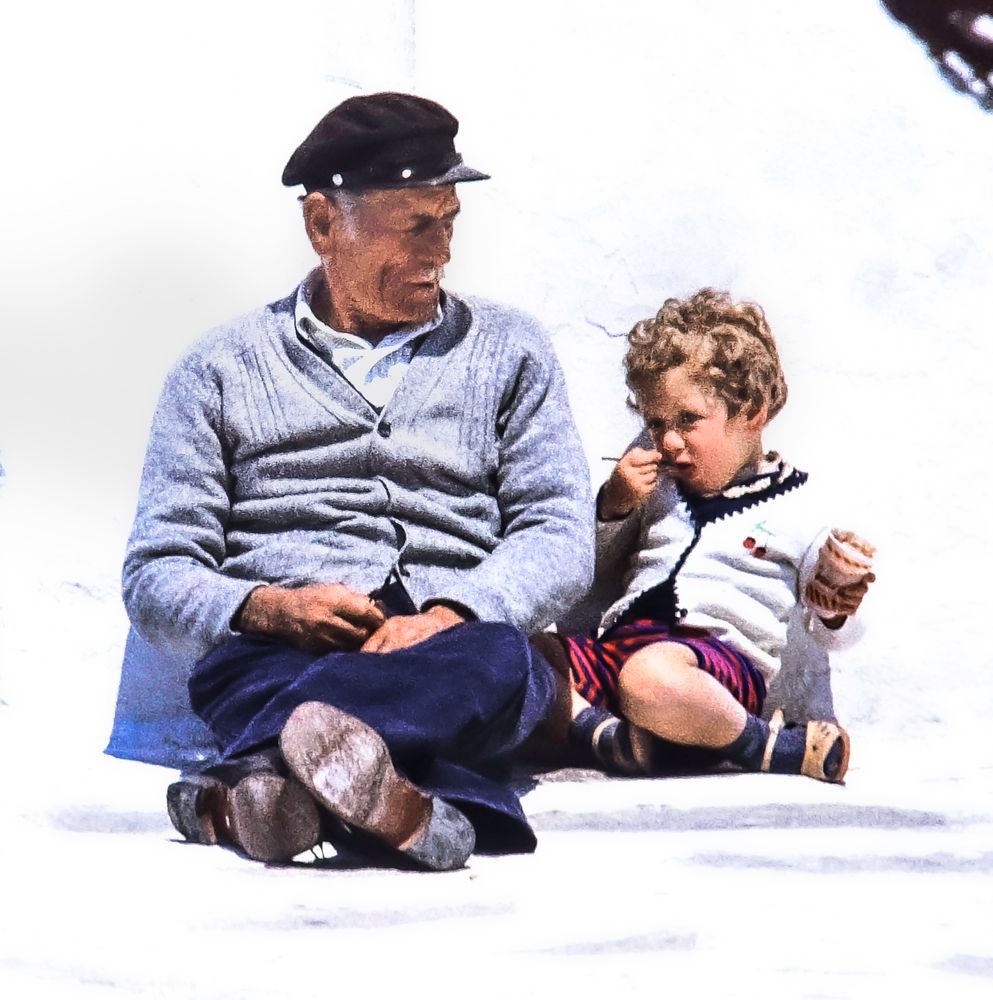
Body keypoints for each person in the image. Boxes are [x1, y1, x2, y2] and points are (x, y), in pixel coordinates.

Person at [118, 92, 593, 868]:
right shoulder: (217, 370)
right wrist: (268, 608)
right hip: (277, 654)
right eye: (414, 226)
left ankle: (256, 778)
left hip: (454, 658)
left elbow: (559, 531)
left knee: (503, 659)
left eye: (447, 221)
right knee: (255, 676)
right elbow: (155, 574)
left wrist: (449, 613)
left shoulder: (511, 351)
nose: (439, 251)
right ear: (321, 225)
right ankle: (433, 815)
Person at [534, 288, 874, 782]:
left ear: (754, 411)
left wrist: (837, 603)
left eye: (689, 420)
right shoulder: (658, 487)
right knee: (521, 653)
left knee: (652, 678)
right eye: (656, 422)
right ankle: (613, 739)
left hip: (711, 667)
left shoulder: (799, 506)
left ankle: (768, 748)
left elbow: (833, 634)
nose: (668, 440)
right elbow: (589, 570)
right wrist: (613, 505)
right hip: (617, 648)